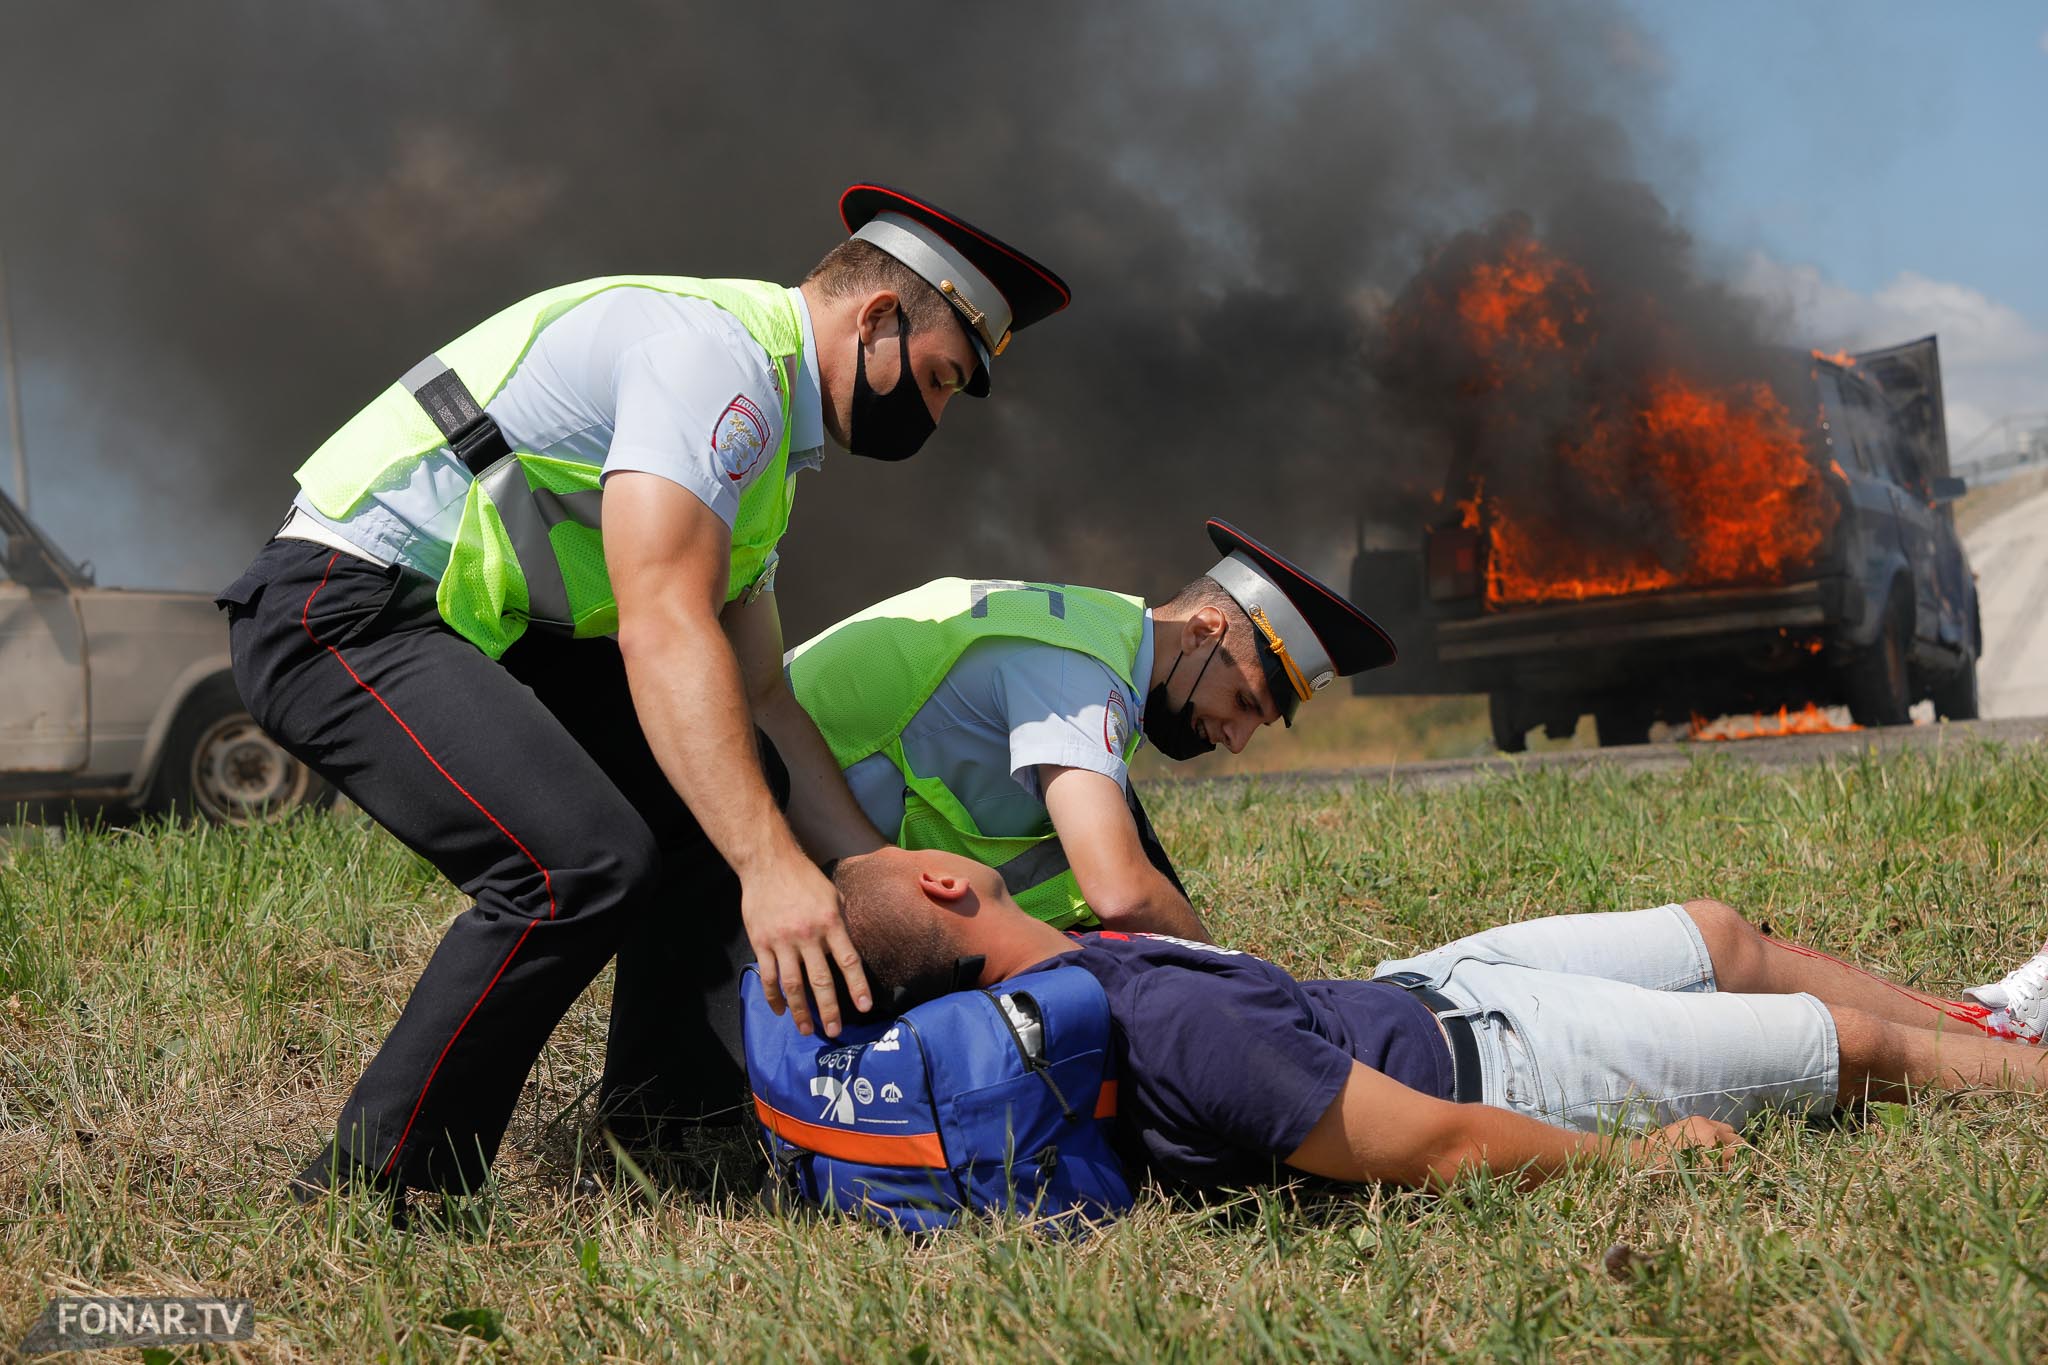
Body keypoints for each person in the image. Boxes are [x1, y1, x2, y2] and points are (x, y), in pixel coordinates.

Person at [219, 183, 1072, 1197]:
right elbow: (661, 621)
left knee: (728, 780)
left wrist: (861, 859)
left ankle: (671, 1122)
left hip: (462, 622)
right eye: (933, 379)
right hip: (339, 607)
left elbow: (755, 692)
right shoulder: (718, 367)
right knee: (574, 866)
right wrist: (768, 869)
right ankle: (376, 1191)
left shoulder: (765, 444)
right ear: (878, 316)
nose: (929, 416)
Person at [829, 845, 2048, 1191]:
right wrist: (1637, 1162)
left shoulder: (1078, 954)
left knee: (1721, 935)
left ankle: (1989, 1024)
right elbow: (1423, 1144)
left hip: (1439, 982)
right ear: (945, 883)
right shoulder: (1162, 1028)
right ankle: (2011, 1070)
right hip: (1514, 1063)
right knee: (1851, 1054)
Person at [785, 521, 1397, 938]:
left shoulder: (1093, 627)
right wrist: (1229, 970)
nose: (1236, 739)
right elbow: (1120, 892)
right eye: (1242, 701)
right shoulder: (1080, 673)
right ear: (1203, 631)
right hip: (743, 845)